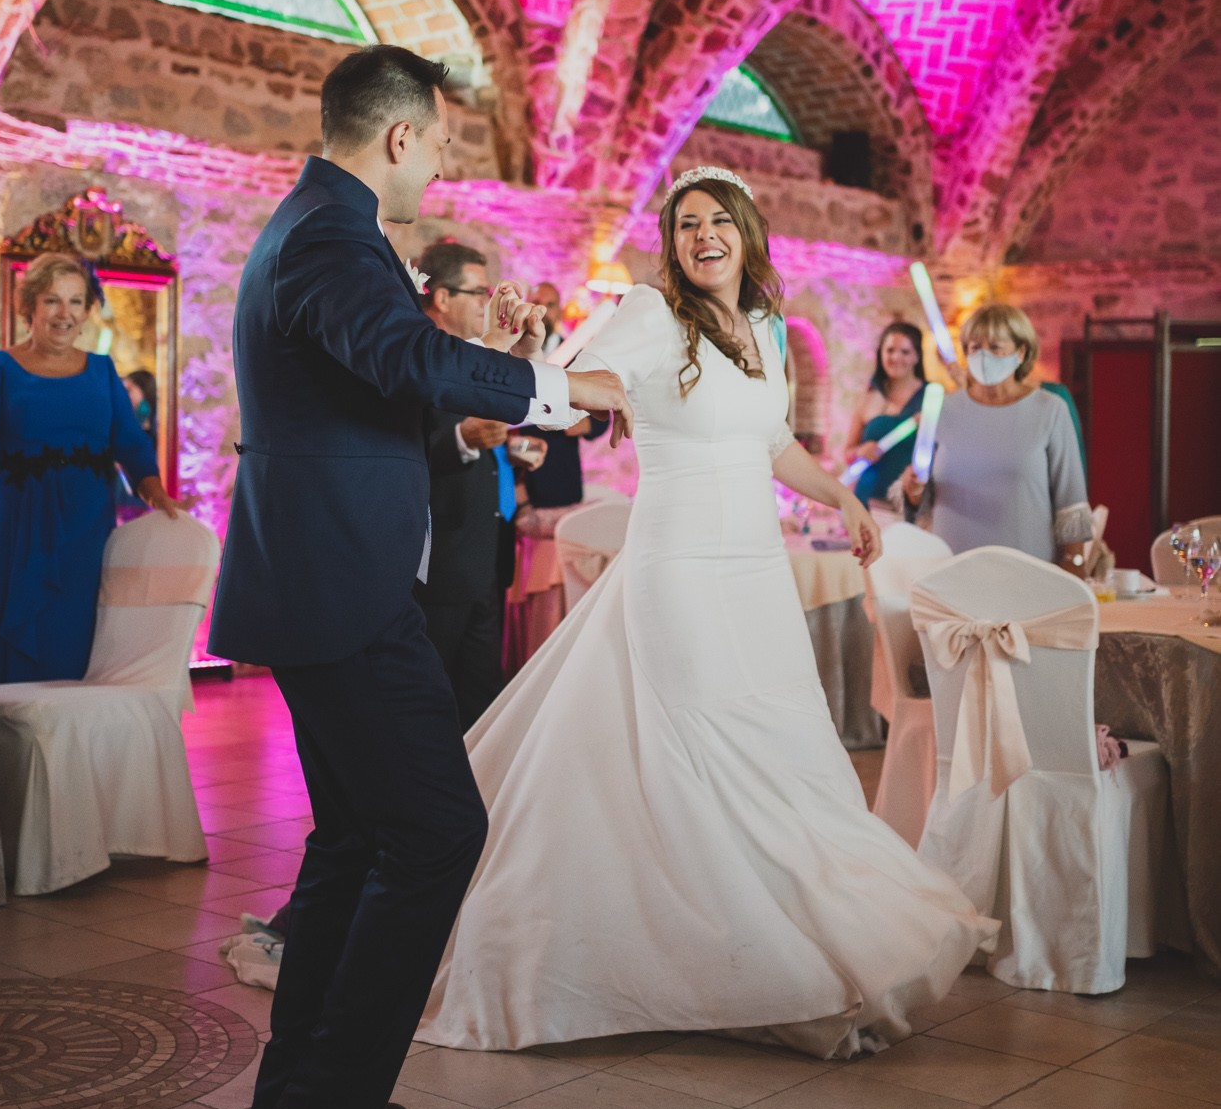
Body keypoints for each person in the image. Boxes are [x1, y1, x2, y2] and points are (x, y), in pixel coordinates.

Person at [420, 167, 995, 1059]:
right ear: (672, 242)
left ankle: (799, 952)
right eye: (686, 224)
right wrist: (534, 359)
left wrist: (841, 498)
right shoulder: (652, 314)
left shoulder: (763, 327)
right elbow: (584, 389)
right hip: (678, 568)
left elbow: (773, 443)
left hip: (755, 571)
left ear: (745, 232)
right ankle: (748, 973)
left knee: (780, 742)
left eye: (717, 220)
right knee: (702, 748)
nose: (703, 236)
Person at [208, 45, 632, 1109]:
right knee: (439, 829)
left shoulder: (317, 227)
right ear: (398, 135)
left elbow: (363, 399)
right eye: (439, 142)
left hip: (323, 580)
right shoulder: (332, 237)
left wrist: (488, 415)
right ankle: (335, 1099)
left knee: (353, 837)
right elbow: (403, 354)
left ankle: (295, 1093)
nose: (439, 163)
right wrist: (561, 388)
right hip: (343, 589)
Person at [0, 252, 178, 684]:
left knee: (73, 639)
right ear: (31, 306)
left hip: (85, 530)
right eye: (53, 300)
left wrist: (155, 492)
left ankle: (68, 729)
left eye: (76, 302)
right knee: (4, 646)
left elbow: (131, 444)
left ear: (87, 310)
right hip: (17, 529)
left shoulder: (103, 371)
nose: (65, 313)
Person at [414, 239, 548, 728]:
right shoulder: (419, 362)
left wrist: (508, 451)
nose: (486, 304)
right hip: (441, 567)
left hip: (488, 558)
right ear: (442, 297)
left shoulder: (476, 360)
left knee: (482, 700)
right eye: (477, 292)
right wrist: (462, 439)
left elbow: (483, 431)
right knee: (433, 702)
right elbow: (405, 455)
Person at [901, 301, 1093, 571]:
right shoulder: (941, 409)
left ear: (1021, 352)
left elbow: (1070, 503)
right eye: (975, 347)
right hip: (950, 571)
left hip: (1027, 572)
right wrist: (913, 491)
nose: (984, 356)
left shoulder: (1050, 410)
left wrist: (1073, 567)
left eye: (995, 347)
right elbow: (922, 500)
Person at [519, 280, 611, 511]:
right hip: (518, 479)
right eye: (536, 302)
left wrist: (584, 424)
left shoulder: (577, 357)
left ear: (559, 311)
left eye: (550, 305)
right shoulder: (511, 354)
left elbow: (602, 417)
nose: (542, 311)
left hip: (560, 479)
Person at [844, 321, 928, 507]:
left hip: (912, 502)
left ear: (917, 356)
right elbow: (848, 453)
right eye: (890, 350)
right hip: (867, 498)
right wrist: (860, 451)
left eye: (905, 352)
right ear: (881, 353)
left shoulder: (932, 399)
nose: (896, 357)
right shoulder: (867, 398)